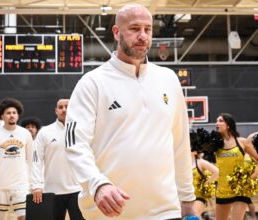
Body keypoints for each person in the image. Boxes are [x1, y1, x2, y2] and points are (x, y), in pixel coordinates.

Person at [64, 4, 196, 219]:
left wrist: (188, 198)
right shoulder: (92, 83)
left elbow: (180, 144)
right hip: (109, 212)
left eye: (148, 29)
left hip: (165, 210)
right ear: (116, 32)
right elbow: (74, 144)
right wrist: (97, 185)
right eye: (134, 29)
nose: (143, 36)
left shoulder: (168, 79)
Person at [30, 98, 83, 220]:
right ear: (56, 110)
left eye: (67, 106)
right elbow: (36, 160)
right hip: (52, 191)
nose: (64, 110)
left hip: (78, 189)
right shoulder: (45, 132)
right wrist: (37, 185)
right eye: (60, 107)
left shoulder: (82, 129)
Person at [0, 98, 33, 220]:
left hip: (21, 183)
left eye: (14, 113)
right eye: (8, 113)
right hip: (0, 184)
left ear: (18, 115)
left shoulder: (25, 133)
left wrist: (33, 182)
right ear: (2, 116)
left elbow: (31, 160)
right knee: (1, 217)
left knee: (23, 216)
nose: (12, 115)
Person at [213, 113, 258, 220]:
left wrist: (253, 176)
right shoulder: (215, 144)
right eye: (216, 121)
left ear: (228, 125)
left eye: (220, 121)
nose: (217, 123)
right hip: (222, 188)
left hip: (240, 188)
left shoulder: (242, 142)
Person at [190, 131, 219, 218]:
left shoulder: (200, 162)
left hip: (199, 196)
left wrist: (207, 183)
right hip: (185, 197)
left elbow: (216, 171)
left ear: (195, 152)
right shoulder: (181, 164)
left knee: (194, 214)